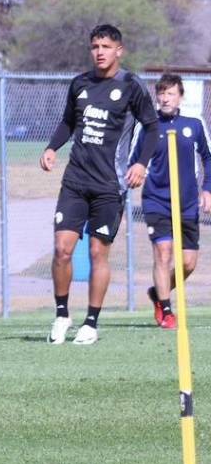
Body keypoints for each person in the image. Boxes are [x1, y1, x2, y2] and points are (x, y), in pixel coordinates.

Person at [40, 24, 158, 345]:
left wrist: (140, 163)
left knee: (97, 253)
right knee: (62, 250)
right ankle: (62, 315)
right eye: (95, 46)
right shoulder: (79, 84)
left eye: (106, 46)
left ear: (119, 50)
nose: (100, 51)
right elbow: (68, 122)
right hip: (75, 180)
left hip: (110, 184)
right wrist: (52, 147)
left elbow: (152, 126)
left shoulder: (131, 86)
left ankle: (91, 322)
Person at [131, 74, 211, 330]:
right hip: (157, 200)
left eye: (170, 93)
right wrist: (136, 170)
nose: (165, 98)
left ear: (180, 96)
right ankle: (166, 309)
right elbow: (135, 160)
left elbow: (209, 158)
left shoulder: (194, 124)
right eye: (161, 93)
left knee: (188, 263)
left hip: (187, 202)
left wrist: (207, 189)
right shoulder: (147, 125)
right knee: (163, 253)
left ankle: (158, 293)